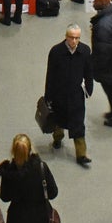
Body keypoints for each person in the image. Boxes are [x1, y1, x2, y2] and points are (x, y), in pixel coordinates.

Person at [42, 23, 94, 165]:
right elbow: (50, 74)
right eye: (72, 38)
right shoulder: (56, 52)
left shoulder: (84, 51)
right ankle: (57, 138)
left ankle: (81, 154)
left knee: (78, 124)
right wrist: (48, 96)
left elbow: (88, 72)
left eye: (77, 38)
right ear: (66, 37)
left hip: (76, 95)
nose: (74, 41)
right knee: (58, 121)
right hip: (59, 95)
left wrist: (89, 88)